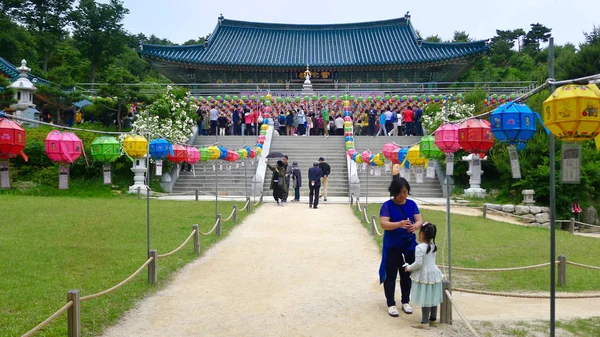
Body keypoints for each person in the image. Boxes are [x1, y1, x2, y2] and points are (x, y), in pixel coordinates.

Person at [379, 178, 424, 317]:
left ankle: (405, 301)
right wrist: (398, 224)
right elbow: (383, 224)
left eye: (405, 192)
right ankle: (391, 304)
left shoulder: (412, 204)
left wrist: (414, 226)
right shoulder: (387, 205)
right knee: (391, 275)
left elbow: (419, 220)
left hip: (408, 246)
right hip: (392, 245)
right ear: (394, 192)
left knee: (406, 274)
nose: (403, 195)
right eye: (400, 192)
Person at [405, 222, 443, 329]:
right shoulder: (433, 246)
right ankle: (433, 319)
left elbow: (418, 263)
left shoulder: (420, 247)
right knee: (433, 296)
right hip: (434, 274)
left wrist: (408, 267)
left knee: (425, 297)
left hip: (424, 275)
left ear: (421, 233)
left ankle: (424, 322)